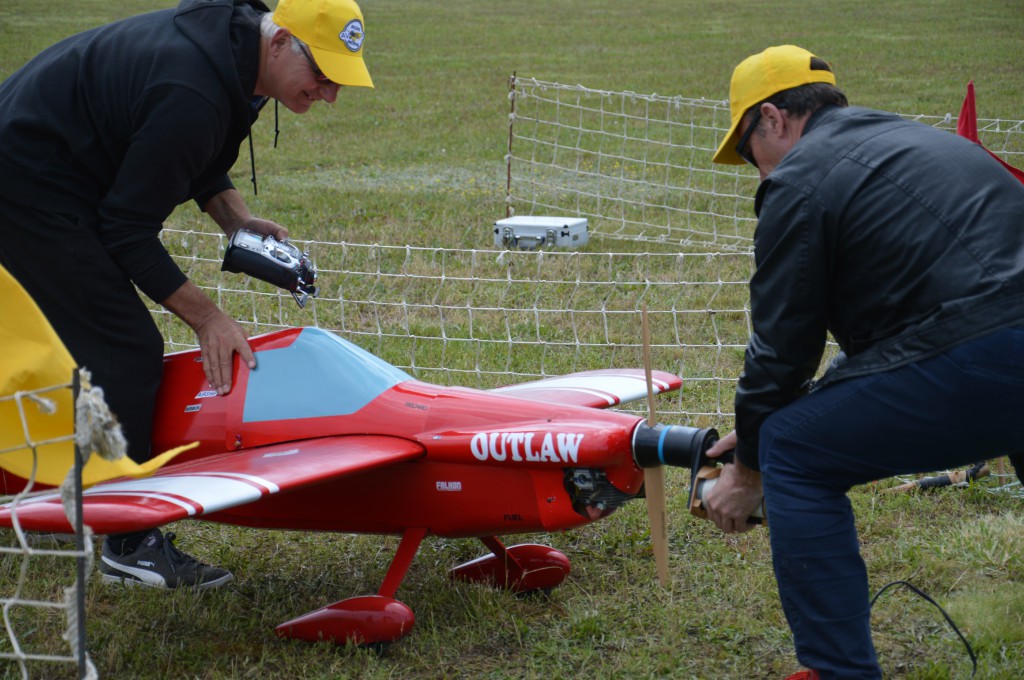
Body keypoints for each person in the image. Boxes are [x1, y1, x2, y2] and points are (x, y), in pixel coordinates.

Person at [0, 0, 373, 589]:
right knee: (122, 349)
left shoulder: (234, 55)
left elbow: (192, 148)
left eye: (339, 80)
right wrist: (207, 319)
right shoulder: (192, 90)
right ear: (278, 45)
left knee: (72, 335)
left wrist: (236, 221)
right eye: (323, 75)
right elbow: (124, 229)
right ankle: (128, 541)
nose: (329, 94)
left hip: (52, 157)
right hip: (27, 179)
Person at [704, 45, 1024, 679]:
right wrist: (780, 416)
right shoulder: (915, 140)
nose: (754, 170)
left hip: (986, 347)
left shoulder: (798, 180)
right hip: (994, 334)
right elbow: (905, 338)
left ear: (773, 118)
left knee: (794, 450)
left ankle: (836, 670)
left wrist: (750, 463)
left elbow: (781, 348)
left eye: (745, 151)